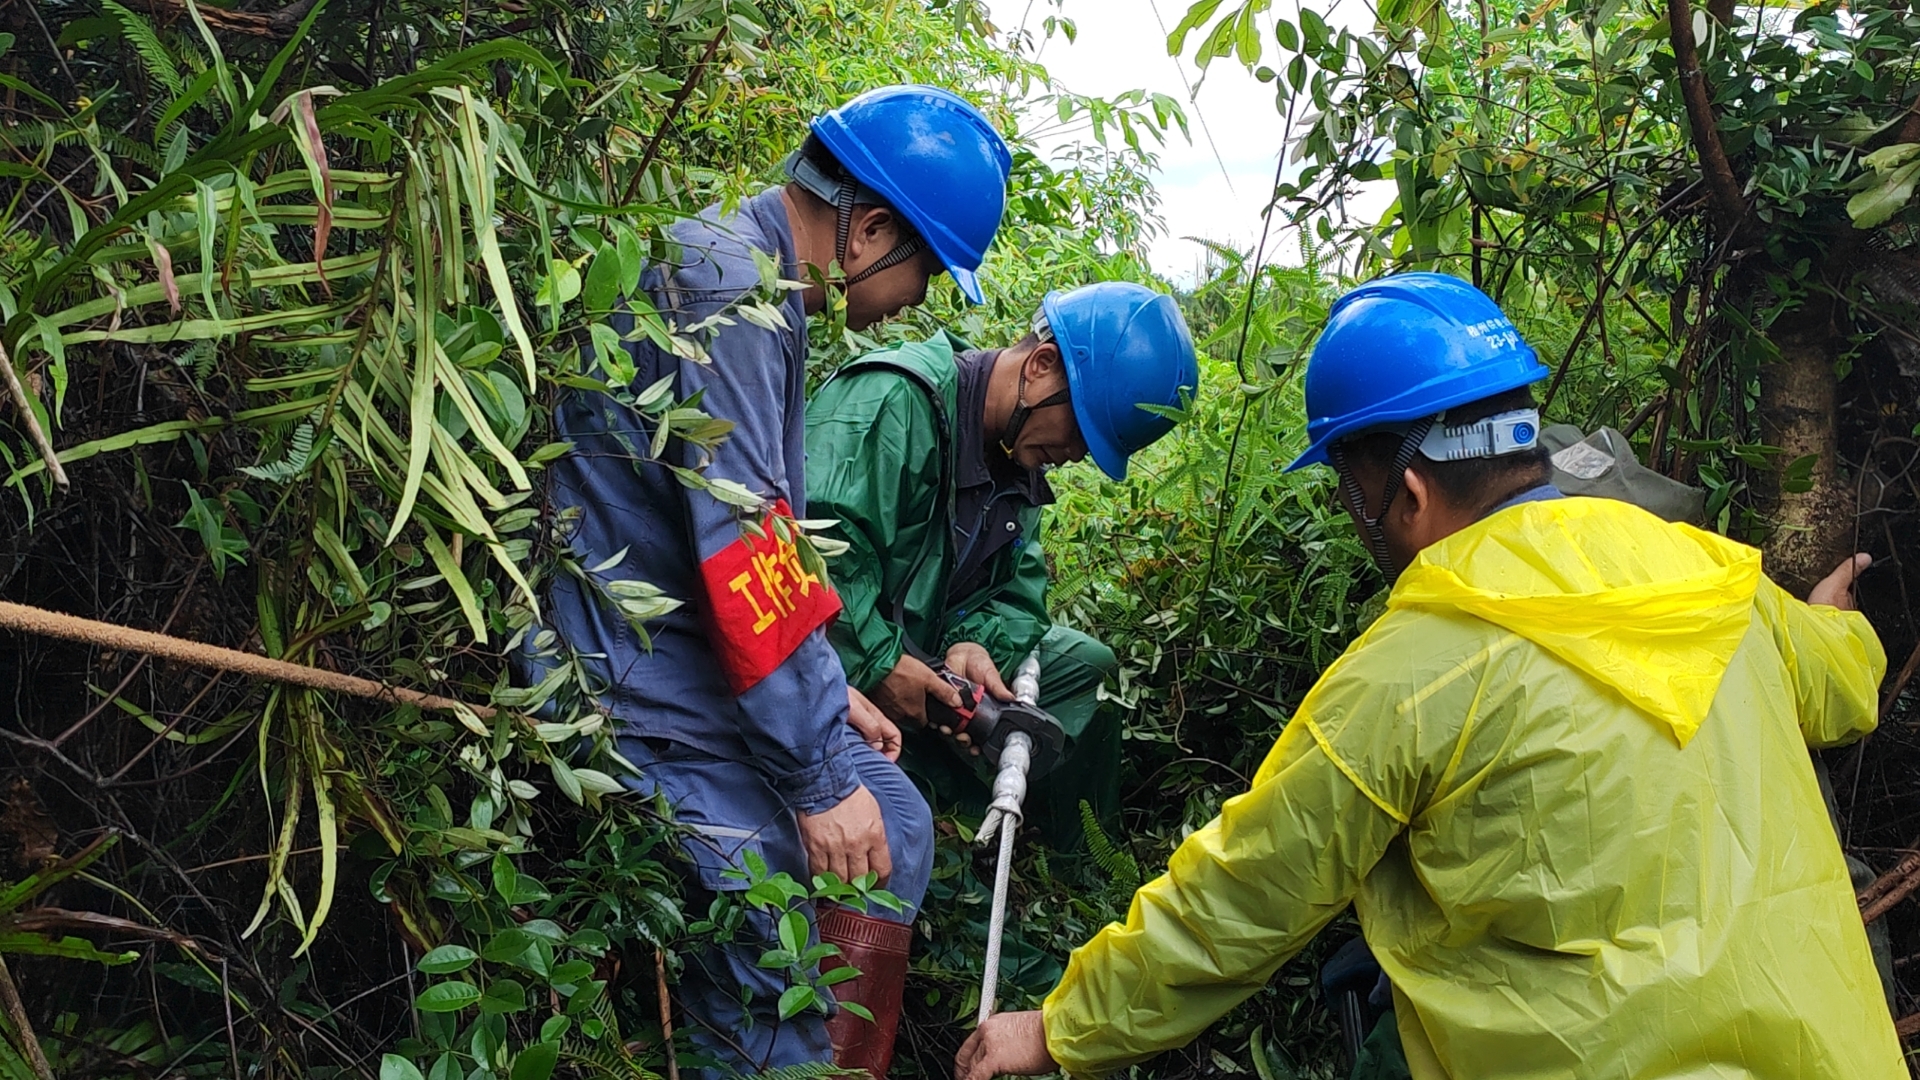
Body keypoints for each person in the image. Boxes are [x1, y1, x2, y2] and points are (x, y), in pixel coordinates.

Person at [954, 272, 1903, 1079]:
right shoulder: (1713, 575)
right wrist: (1830, 622)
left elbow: (1244, 896)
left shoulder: (1408, 674)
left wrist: (1059, 1028)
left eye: (1351, 493)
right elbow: (1843, 682)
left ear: (1404, 491)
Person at [528, 85, 1010, 1078]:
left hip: (692, 655)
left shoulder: (759, 285)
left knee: (902, 823)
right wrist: (819, 774)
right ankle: (774, 1051)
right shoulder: (729, 294)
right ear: (869, 230)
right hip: (631, 679)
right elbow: (742, 553)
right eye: (924, 271)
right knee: (784, 899)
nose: (918, 299)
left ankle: (834, 1063)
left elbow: (762, 533)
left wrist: (830, 695)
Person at [803, 282, 1199, 845]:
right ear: (1040, 366)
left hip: (924, 653)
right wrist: (884, 665)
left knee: (1084, 665)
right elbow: (811, 554)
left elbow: (1015, 593)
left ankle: (1056, 859)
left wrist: (971, 643)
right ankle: (944, 830)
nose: (1078, 455)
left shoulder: (1018, 462)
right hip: (829, 658)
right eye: (1081, 429)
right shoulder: (894, 402)